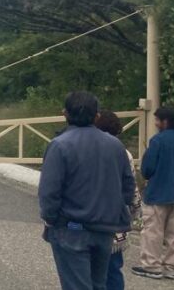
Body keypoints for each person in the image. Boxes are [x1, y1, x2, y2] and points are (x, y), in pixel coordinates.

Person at [38, 91, 135, 290]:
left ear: (64, 113)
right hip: (104, 230)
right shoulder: (116, 145)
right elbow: (128, 188)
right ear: (97, 115)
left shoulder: (59, 145)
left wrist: (51, 219)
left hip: (71, 229)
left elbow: (49, 192)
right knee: (99, 284)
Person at [132, 107, 174, 281]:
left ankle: (152, 265)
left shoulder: (158, 141)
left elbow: (147, 169)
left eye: (157, 120)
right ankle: (171, 266)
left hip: (158, 192)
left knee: (153, 232)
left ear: (165, 121)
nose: (155, 123)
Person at [95, 111, 141, 290]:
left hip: (90, 218)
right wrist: (136, 211)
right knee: (113, 269)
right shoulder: (124, 153)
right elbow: (131, 187)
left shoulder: (88, 148)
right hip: (115, 219)